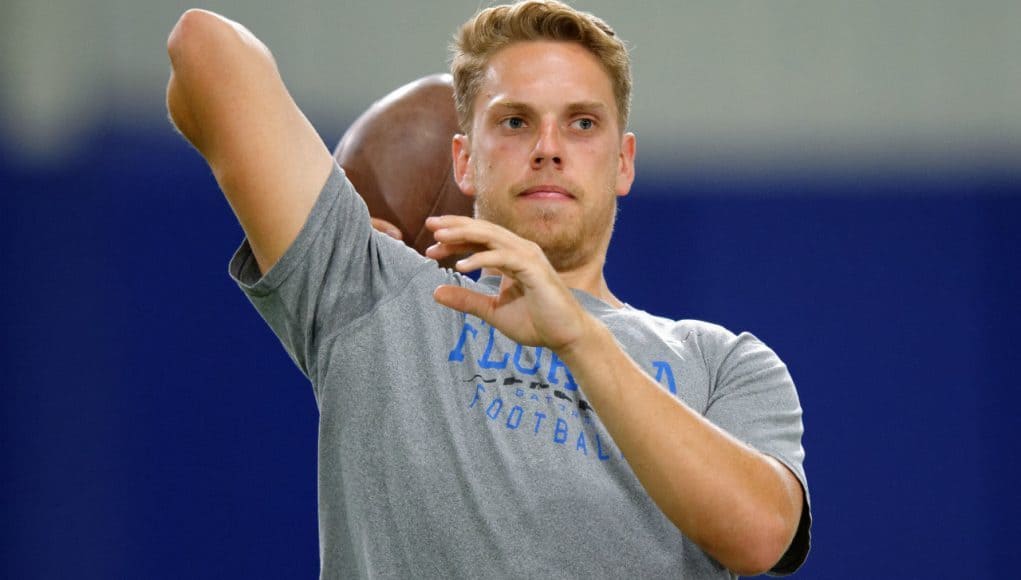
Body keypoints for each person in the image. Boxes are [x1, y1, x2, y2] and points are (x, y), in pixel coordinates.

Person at [166, 1, 811, 577]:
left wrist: (577, 336)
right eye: (514, 122)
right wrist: (345, 214)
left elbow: (760, 536)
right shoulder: (373, 292)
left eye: (583, 123)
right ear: (464, 159)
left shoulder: (722, 363)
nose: (549, 149)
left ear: (623, 162)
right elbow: (204, 49)